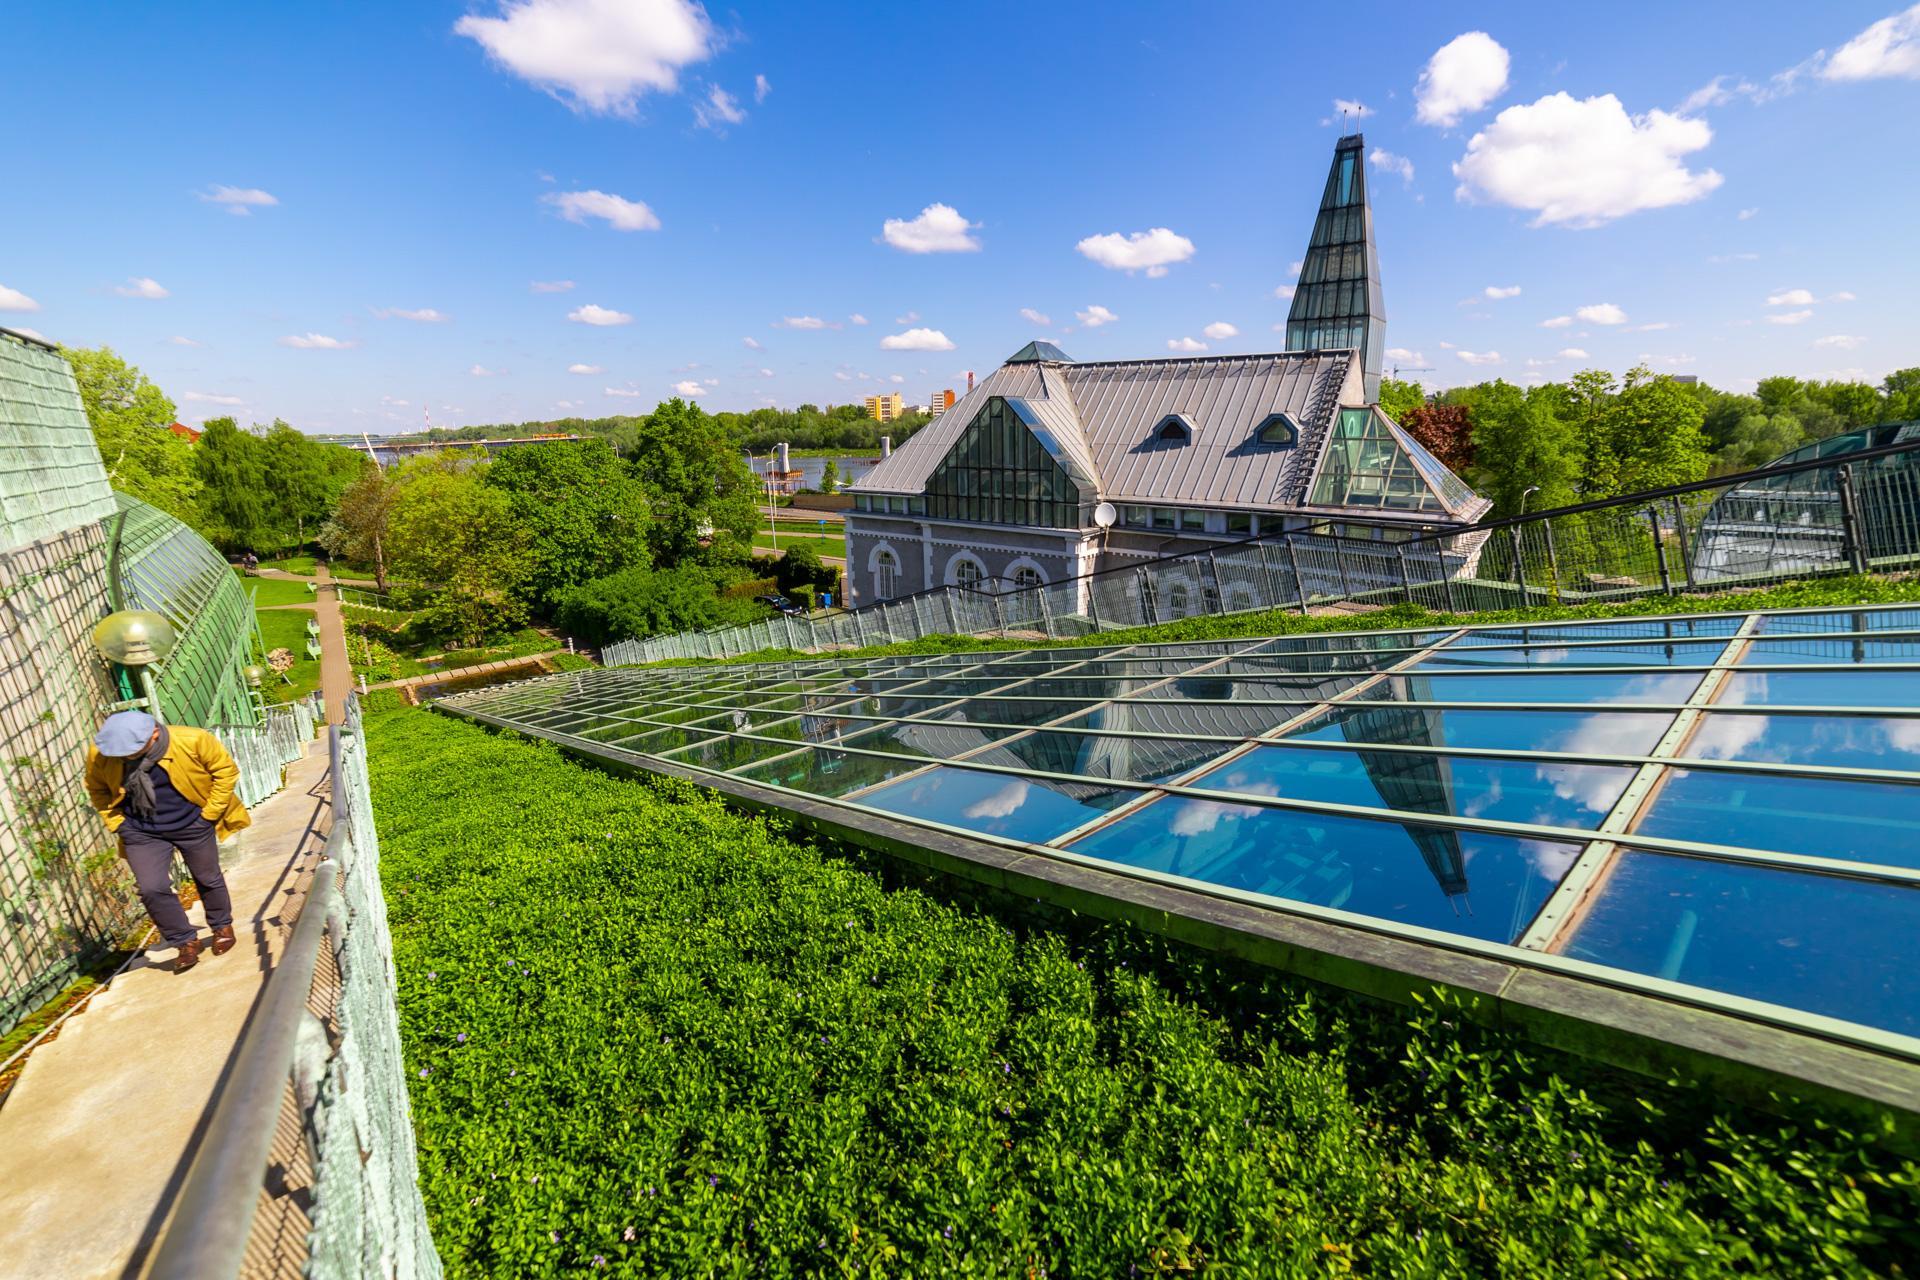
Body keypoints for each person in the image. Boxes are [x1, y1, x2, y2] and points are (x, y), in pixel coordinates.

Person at [84, 710, 252, 972]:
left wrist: (208, 815)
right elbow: (97, 789)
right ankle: (184, 942)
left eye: (133, 749)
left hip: (192, 822)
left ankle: (222, 926)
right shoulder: (104, 752)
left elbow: (225, 773)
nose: (126, 756)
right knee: (151, 887)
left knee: (207, 877)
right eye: (121, 753)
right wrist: (118, 824)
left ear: (154, 732)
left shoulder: (193, 740)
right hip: (141, 830)